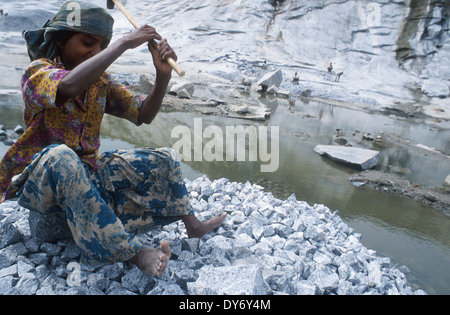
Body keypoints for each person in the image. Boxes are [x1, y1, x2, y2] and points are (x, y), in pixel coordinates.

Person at [0, 1, 226, 277]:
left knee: (163, 158)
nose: (94, 52)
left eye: (101, 47)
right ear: (61, 41)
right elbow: (68, 87)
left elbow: (143, 114)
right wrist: (122, 44)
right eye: (86, 43)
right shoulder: (37, 72)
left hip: (86, 172)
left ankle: (193, 224)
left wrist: (162, 76)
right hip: (44, 180)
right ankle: (134, 253)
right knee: (61, 156)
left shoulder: (100, 83)